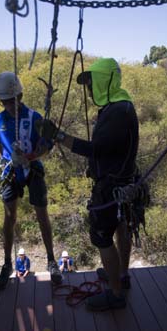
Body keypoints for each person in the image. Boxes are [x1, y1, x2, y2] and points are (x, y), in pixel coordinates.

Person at [37, 58, 139, 311]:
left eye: (93, 83)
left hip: (112, 187)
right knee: (122, 227)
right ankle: (121, 275)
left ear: (105, 81)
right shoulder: (119, 106)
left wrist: (59, 135)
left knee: (102, 237)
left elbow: (94, 149)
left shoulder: (118, 112)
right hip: (123, 182)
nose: (90, 89)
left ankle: (116, 294)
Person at [0, 71, 62, 289]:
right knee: (10, 217)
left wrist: (30, 156)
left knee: (42, 213)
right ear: (1, 101)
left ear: (20, 97)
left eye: (14, 100)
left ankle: (51, 260)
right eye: (6, 102)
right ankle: (6, 263)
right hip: (10, 171)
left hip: (32, 168)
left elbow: (46, 146)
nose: (10, 105)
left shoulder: (34, 117)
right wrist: (7, 161)